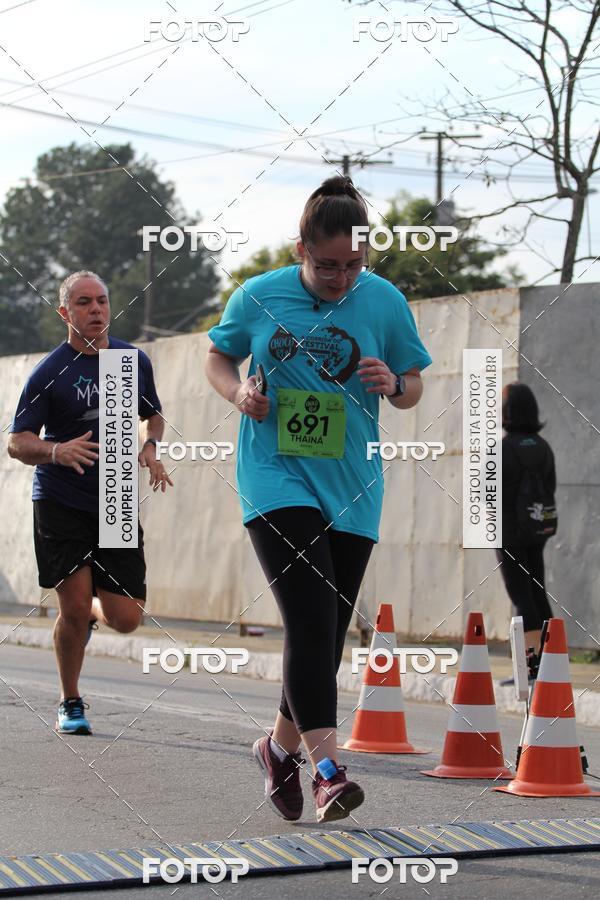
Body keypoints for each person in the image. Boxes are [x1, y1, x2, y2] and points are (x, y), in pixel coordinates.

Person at [205, 176, 432, 823]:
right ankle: (330, 772)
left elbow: (412, 383)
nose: (340, 278)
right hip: (275, 477)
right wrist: (238, 395)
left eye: (353, 266)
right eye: (326, 265)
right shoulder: (259, 296)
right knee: (309, 619)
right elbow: (217, 359)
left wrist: (395, 382)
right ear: (299, 248)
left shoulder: (383, 303)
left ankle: (278, 750)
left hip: (354, 485)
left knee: (325, 634)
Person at [8, 271, 173, 735]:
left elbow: (152, 414)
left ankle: (94, 604)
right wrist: (58, 451)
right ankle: (70, 700)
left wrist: (150, 446)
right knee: (74, 609)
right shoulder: (50, 371)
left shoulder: (129, 361)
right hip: (60, 500)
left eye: (101, 301)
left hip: (116, 495)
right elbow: (17, 443)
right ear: (65, 312)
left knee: (126, 619)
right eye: (84, 303)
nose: (96, 310)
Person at [497, 382, 556, 663]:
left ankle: (531, 665)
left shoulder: (503, 449)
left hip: (508, 533)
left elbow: (484, 493)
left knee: (521, 595)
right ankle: (551, 662)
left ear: (508, 410)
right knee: (537, 590)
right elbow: (550, 486)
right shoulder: (544, 448)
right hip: (537, 529)